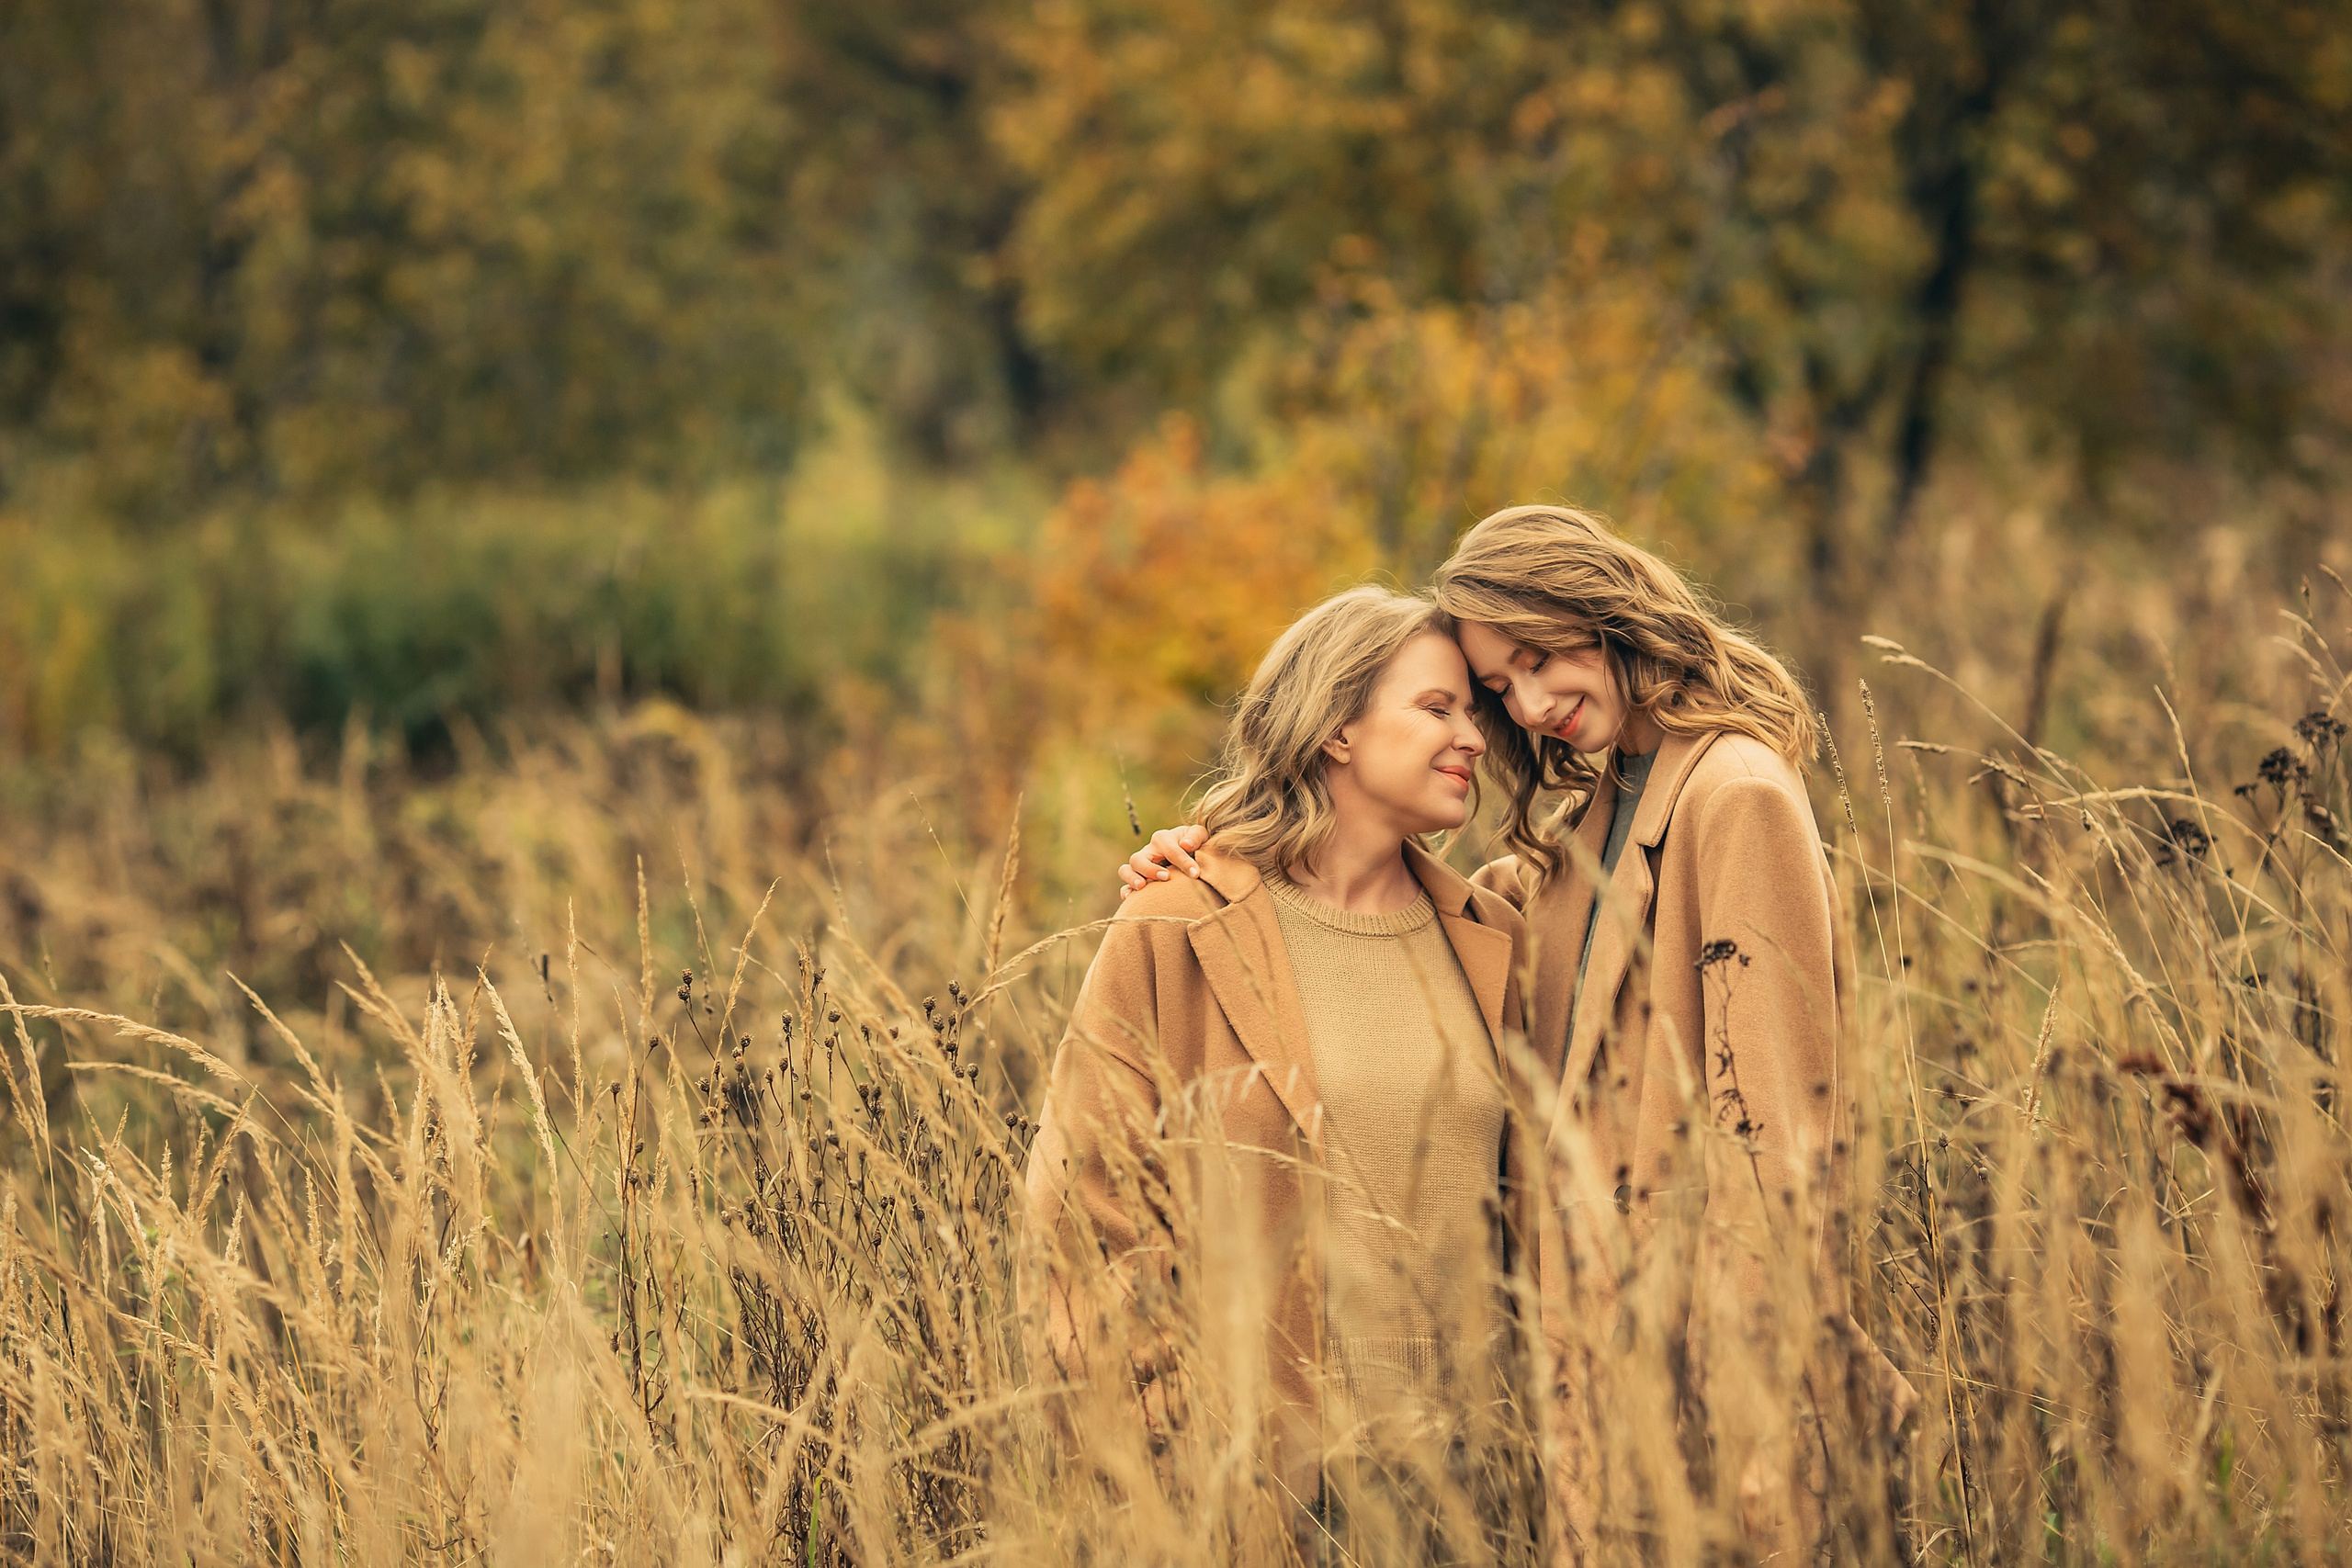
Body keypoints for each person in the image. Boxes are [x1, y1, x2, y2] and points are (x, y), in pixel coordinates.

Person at [1120, 505, 1912, 1558]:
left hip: (1699, 1382)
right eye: (1498, 689)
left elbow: (1779, 1146)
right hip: (1570, 1390)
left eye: (1538, 659)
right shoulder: (1596, 820)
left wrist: (1759, 1420)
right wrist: (1232, 847)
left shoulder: (1735, 795)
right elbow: (1453, 926)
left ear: (1604, 612)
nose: (1530, 706)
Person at [1029, 585, 1552, 1557]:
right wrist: (1181, 1446)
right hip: (1272, 1500)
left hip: (1481, 1494)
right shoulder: (1177, 926)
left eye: (1471, 713)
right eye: (1436, 708)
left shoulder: (1491, 940)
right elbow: (1083, 1217)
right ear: (1337, 729)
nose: (1475, 737)